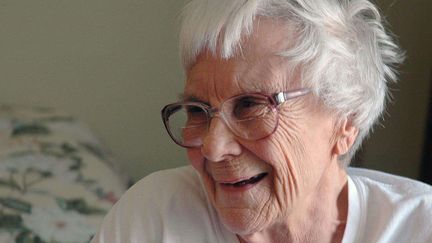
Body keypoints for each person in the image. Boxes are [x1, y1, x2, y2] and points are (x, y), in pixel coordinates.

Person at [92, 0, 432, 242]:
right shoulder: (154, 218)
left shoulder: (419, 227)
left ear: (345, 122)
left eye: (251, 105)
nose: (212, 148)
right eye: (197, 110)